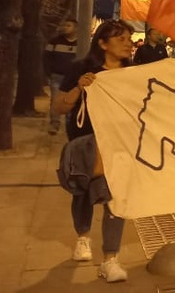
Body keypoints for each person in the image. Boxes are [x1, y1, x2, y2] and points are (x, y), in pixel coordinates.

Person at [54, 20, 134, 283]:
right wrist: (79, 87)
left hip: (119, 144)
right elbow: (59, 107)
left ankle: (110, 259)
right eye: (120, 38)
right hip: (85, 144)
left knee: (115, 199)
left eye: (129, 38)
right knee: (83, 194)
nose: (128, 43)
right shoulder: (82, 69)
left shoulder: (132, 73)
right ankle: (83, 237)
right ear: (102, 43)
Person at [43, 17, 78, 135]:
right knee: (55, 100)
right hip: (57, 76)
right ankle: (54, 124)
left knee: (71, 100)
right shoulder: (54, 41)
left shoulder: (82, 43)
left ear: (76, 28)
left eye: (68, 25)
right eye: (64, 25)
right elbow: (46, 57)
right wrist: (49, 72)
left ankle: (70, 124)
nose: (65, 28)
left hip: (73, 78)